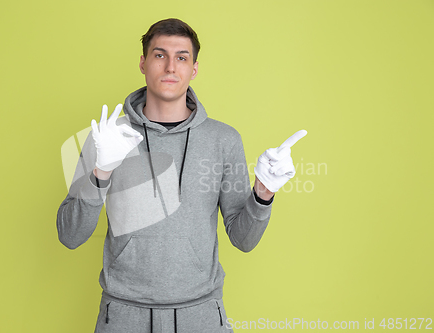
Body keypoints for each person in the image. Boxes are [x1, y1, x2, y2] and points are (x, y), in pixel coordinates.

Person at [56, 18, 306, 333]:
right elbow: (70, 236)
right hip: (122, 316)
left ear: (194, 69)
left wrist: (264, 193)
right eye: (160, 55)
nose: (171, 67)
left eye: (182, 57)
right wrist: (100, 172)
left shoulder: (223, 140)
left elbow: (243, 240)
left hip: (201, 316)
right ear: (143, 64)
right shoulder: (107, 137)